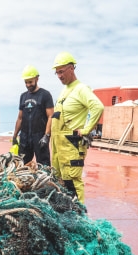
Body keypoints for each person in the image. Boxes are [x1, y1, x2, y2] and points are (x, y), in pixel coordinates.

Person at [48, 51, 103, 203]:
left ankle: (80, 218)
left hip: (71, 145)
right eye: (57, 73)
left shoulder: (81, 89)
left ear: (71, 68)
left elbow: (97, 107)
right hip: (59, 148)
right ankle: (67, 214)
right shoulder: (65, 90)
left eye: (61, 71)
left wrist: (86, 129)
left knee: (72, 183)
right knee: (60, 182)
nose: (59, 76)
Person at [12, 65, 54, 166]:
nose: (28, 85)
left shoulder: (45, 95)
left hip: (39, 136)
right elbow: (20, 118)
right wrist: (14, 135)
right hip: (25, 137)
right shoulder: (23, 96)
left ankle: (44, 181)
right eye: (26, 82)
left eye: (30, 82)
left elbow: (51, 116)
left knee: (44, 165)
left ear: (37, 79)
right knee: (22, 164)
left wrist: (46, 136)